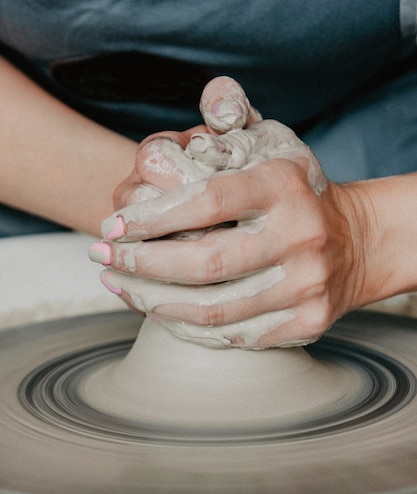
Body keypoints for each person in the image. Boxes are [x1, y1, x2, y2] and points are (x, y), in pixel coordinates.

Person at [2, 1, 417, 348]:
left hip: (377, 140)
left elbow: (365, 229)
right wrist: (177, 211)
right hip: (43, 147)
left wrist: (363, 235)